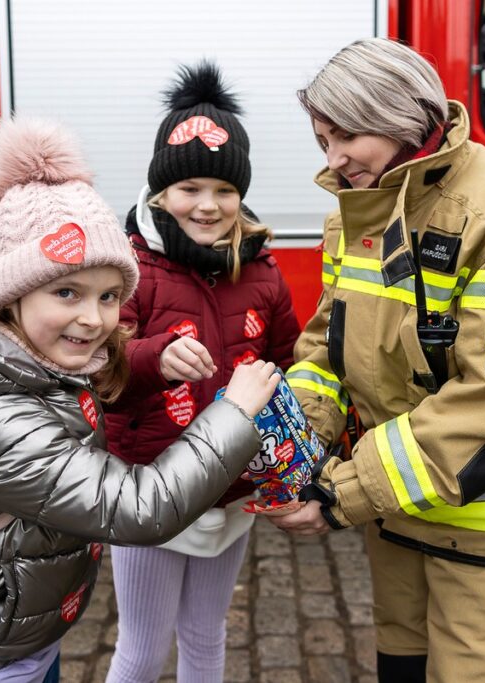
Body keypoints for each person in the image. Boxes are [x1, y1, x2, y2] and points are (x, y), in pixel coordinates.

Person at [0, 116, 281, 682]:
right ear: (12, 292)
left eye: (108, 298)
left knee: (203, 634)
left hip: (20, 631)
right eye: (66, 291)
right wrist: (232, 414)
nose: (95, 320)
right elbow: (136, 508)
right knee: (142, 649)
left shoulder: (34, 366)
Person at [272, 38, 485, 682]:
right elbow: (326, 349)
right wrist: (299, 441)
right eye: (321, 141)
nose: (334, 161)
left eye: (346, 136)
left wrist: (341, 491)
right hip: (405, 518)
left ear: (400, 116)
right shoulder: (360, 213)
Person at [104, 62, 301, 683]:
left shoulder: (262, 271)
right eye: (190, 189)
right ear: (160, 192)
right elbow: (95, 370)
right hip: (149, 491)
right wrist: (151, 357)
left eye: (224, 190)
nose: (208, 206)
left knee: (206, 635)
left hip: (234, 491)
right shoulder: (126, 267)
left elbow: (290, 362)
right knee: (141, 648)